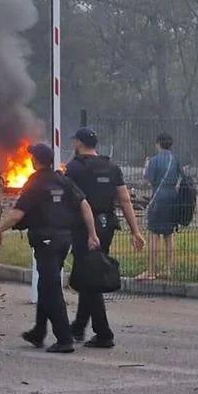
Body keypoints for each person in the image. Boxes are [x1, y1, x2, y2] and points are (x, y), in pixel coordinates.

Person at [0, 143, 99, 354]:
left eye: (32, 156)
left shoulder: (35, 184)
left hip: (46, 240)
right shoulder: (64, 180)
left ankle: (64, 339)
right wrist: (92, 234)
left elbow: (17, 214)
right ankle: (39, 331)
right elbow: (84, 205)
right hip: (64, 240)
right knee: (45, 284)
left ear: (36, 161)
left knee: (51, 289)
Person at [64, 127, 145, 348]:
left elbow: (69, 199)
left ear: (79, 143)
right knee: (90, 273)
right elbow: (125, 200)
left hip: (84, 228)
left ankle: (103, 333)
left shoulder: (74, 168)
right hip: (107, 225)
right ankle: (79, 327)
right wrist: (135, 230)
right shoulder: (111, 167)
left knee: (90, 279)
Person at [140, 132, 181, 280]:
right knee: (169, 236)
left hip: (158, 200)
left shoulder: (155, 160)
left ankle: (151, 270)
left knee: (154, 235)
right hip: (173, 200)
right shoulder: (175, 159)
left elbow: (147, 180)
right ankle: (169, 269)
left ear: (157, 144)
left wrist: (145, 167)